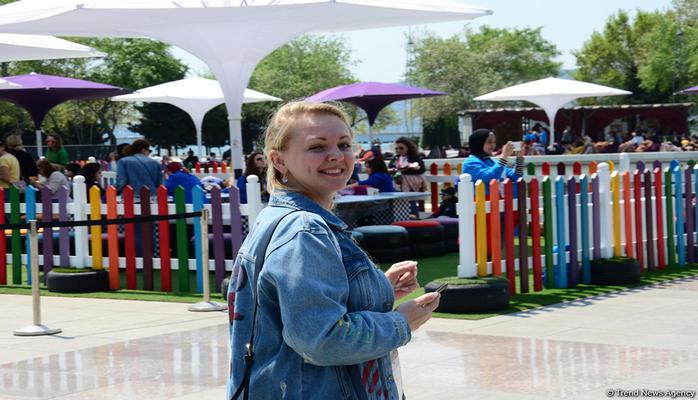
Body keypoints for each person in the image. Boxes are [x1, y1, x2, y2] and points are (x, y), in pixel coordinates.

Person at [227, 101, 440, 400]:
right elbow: (321, 339)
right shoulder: (305, 230)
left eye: (344, 144)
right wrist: (401, 323)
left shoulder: (277, 217)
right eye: (317, 147)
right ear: (279, 160)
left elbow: (293, 307)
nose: (336, 155)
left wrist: (378, 290)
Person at [461, 128, 526, 196]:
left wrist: (520, 158)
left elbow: (515, 176)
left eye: (494, 142)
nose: (493, 145)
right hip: (482, 202)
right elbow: (490, 177)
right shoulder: (470, 164)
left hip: (501, 201)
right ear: (479, 143)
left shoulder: (493, 162)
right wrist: (504, 156)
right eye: (489, 142)